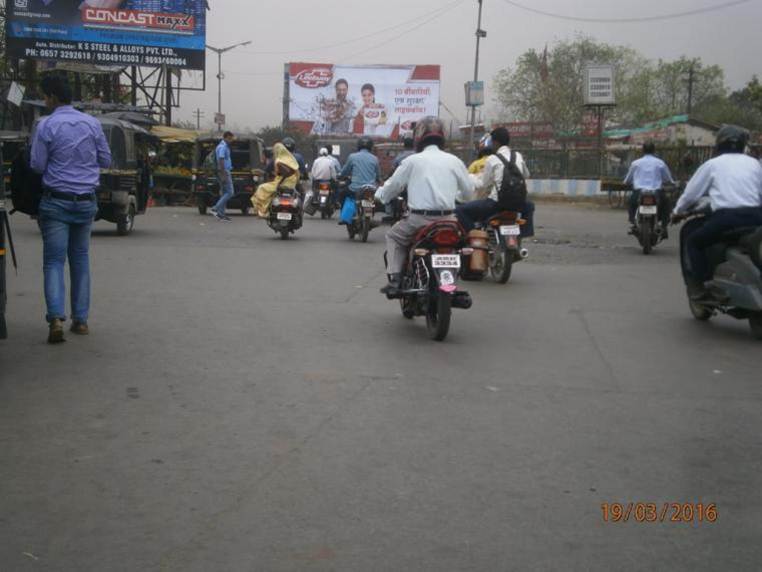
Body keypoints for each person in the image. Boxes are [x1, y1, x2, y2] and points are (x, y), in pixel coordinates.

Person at [30, 75, 111, 344]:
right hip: (86, 201)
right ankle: (81, 320)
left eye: (45, 96)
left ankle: (55, 318)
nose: (44, 100)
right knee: (80, 259)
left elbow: (38, 165)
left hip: (56, 201)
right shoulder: (92, 124)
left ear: (52, 97)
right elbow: (106, 160)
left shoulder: (46, 125)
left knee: (53, 261)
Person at [375, 116, 474, 297]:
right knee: (460, 243)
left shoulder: (413, 161)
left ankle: (396, 280)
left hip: (418, 220)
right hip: (449, 220)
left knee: (394, 237)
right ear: (442, 137)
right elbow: (468, 193)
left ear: (418, 137)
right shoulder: (455, 161)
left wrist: (380, 196)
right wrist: (453, 197)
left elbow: (392, 187)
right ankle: (454, 279)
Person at [672, 125, 762, 298]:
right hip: (756, 217)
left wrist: (677, 211)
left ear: (719, 144)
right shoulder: (754, 164)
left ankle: (700, 285)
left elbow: (690, 194)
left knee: (693, 240)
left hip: (727, 219)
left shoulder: (712, 165)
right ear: (743, 144)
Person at [456, 127, 535, 237]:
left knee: (460, 210)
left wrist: (472, 178)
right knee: (530, 206)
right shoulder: (518, 156)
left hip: (496, 204)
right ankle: (524, 233)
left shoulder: (492, 159)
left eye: (492, 142)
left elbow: (483, 184)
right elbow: (526, 175)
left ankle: (476, 237)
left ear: (495, 142)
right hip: (518, 203)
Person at [624, 141, 676, 235]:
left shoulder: (635, 163)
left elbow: (627, 180)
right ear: (654, 150)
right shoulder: (660, 163)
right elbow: (668, 179)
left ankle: (633, 223)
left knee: (631, 203)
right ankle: (664, 226)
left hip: (639, 192)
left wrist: (628, 183)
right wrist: (669, 183)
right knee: (666, 204)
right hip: (656, 192)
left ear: (643, 150)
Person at [338, 137, 381, 224]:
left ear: (359, 146)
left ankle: (344, 216)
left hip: (355, 189)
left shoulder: (352, 157)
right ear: (370, 147)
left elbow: (345, 171)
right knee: (374, 200)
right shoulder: (375, 159)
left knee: (342, 194)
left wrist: (340, 175)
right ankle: (371, 215)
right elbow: (378, 175)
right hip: (370, 189)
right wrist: (378, 180)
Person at [251, 142, 300, 218]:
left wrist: (280, 181)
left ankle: (263, 211)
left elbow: (286, 172)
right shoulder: (289, 158)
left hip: (284, 183)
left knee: (261, 188)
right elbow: (292, 171)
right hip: (291, 183)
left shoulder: (279, 160)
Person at [211, 131, 235, 222]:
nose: (231, 140)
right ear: (225, 137)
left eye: (231, 138)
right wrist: (223, 173)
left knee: (224, 192)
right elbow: (221, 160)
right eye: (229, 138)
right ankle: (215, 208)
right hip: (224, 171)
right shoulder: (223, 147)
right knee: (230, 192)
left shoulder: (222, 146)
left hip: (223, 171)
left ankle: (221, 214)